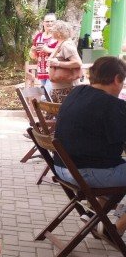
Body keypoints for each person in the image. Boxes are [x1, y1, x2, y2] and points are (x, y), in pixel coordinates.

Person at [54, 56, 126, 236]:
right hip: (86, 173)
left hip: (62, 168)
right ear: (117, 78)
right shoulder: (113, 105)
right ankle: (115, 229)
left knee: (109, 161)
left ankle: (94, 214)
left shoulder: (76, 93)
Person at [47, 19, 83, 103]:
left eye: (53, 31)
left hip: (66, 88)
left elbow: (78, 63)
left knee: (63, 114)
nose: (51, 32)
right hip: (59, 87)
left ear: (59, 33)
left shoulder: (67, 45)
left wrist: (58, 63)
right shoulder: (61, 44)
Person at [30, 13, 58, 90]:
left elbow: (64, 54)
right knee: (46, 95)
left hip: (54, 70)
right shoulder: (38, 36)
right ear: (43, 23)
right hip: (41, 71)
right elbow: (33, 56)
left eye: (52, 21)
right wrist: (32, 50)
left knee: (45, 95)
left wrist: (48, 50)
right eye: (47, 21)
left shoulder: (59, 36)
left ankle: (38, 101)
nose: (50, 23)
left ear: (56, 23)